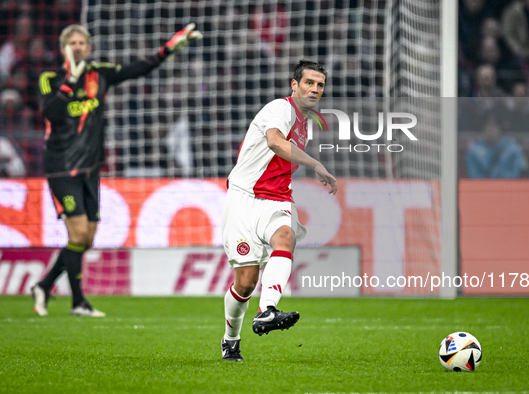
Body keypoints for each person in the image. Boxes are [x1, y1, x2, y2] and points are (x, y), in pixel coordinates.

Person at [31, 23, 202, 317]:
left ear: (89, 47)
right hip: (61, 168)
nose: (77, 47)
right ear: (63, 49)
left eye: (81, 42)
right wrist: (70, 80)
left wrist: (169, 48)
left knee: (86, 239)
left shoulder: (101, 74)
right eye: (71, 42)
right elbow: (50, 113)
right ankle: (78, 302)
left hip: (90, 168)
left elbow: (138, 69)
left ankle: (44, 286)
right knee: (79, 232)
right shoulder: (50, 79)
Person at [220, 60, 337, 361]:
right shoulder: (279, 109)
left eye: (320, 85)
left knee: (285, 237)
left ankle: (267, 310)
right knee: (245, 283)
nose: (314, 89)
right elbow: (274, 142)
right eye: (309, 82)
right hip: (244, 198)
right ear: (294, 85)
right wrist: (315, 164)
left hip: (277, 199)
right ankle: (231, 339)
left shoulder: (304, 125)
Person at [466, 114, 524, 178]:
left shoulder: (513, 150)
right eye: (488, 126)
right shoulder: (474, 151)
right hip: (482, 186)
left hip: (507, 186)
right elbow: (473, 175)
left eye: (494, 126)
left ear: (500, 129)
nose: (490, 130)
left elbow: (515, 173)